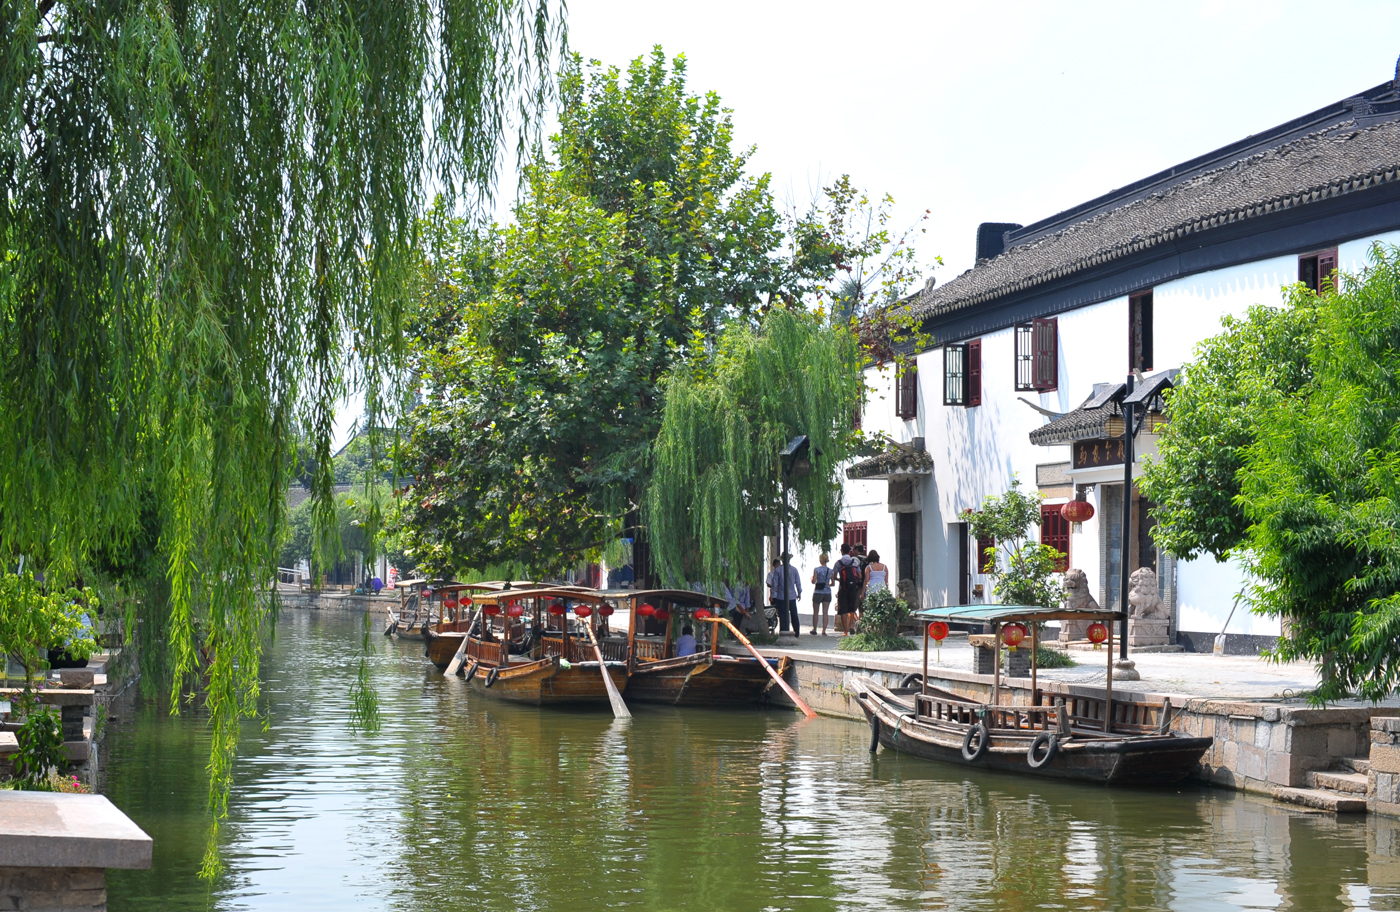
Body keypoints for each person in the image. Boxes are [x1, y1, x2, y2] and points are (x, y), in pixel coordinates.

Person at [766, 553, 802, 636]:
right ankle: (796, 632)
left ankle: (783, 631)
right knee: (794, 614)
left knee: (782, 615)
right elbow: (798, 583)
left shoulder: (778, 570)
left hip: (781, 596)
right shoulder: (794, 570)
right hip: (792, 596)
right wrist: (799, 593)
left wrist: (773, 593)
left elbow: (775, 584)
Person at [833, 543, 863, 636]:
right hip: (853, 588)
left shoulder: (838, 563)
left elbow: (834, 576)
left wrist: (840, 579)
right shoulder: (854, 562)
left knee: (843, 609)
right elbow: (860, 576)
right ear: (849, 551)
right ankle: (851, 626)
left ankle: (845, 631)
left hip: (843, 588)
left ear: (841, 551)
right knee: (851, 607)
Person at [810, 553, 833, 635]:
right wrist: (826, 585)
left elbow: (814, 581)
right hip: (827, 592)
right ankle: (824, 630)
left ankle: (815, 629)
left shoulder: (817, 569)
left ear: (820, 560)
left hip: (818, 592)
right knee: (825, 612)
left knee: (816, 611)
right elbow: (833, 583)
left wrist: (812, 578)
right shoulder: (830, 571)